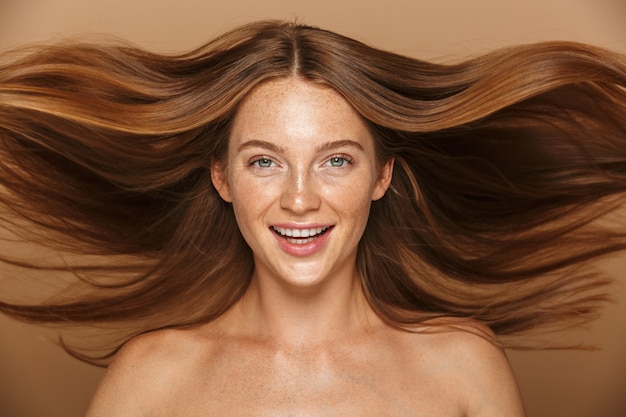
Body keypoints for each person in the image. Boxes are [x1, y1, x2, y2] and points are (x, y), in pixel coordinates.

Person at [0, 19, 625, 415]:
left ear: (381, 176)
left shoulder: (462, 364)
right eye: (265, 162)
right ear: (222, 177)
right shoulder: (153, 379)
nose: (300, 200)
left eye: (336, 162)